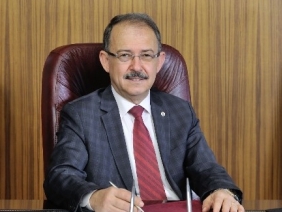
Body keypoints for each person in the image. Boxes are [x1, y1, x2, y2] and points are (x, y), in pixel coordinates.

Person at [44, 13, 243, 212]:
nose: (136, 67)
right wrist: (94, 197)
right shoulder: (81, 114)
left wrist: (221, 190)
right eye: (125, 55)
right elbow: (61, 176)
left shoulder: (180, 111)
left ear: (159, 61)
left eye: (146, 55)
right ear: (106, 61)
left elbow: (206, 167)